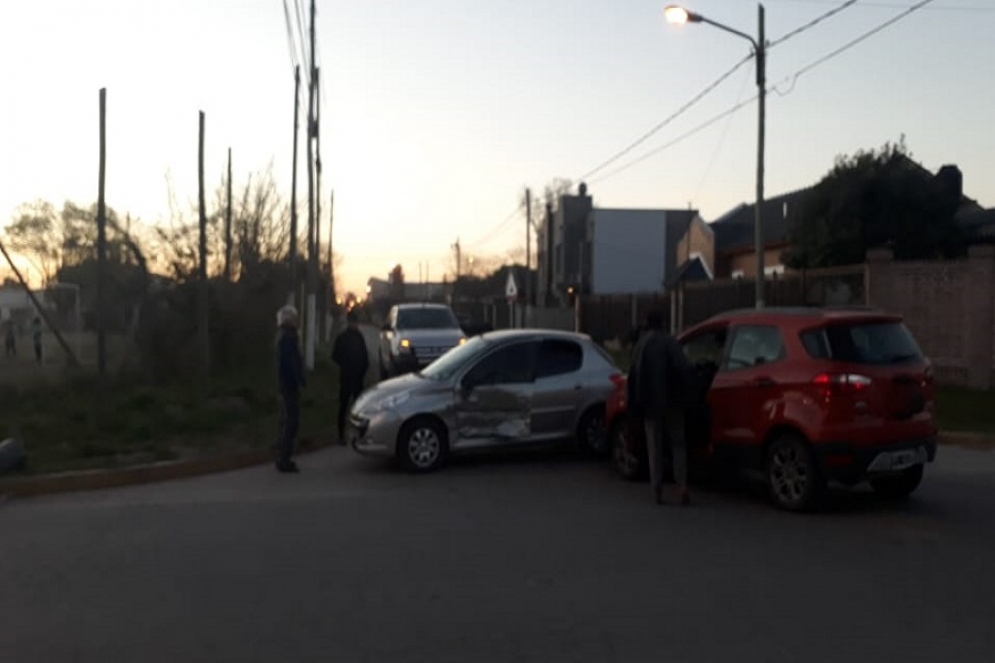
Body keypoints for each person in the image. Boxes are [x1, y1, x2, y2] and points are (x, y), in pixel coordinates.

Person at [628, 309, 696, 506]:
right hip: (672, 401)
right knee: (678, 443)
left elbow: (632, 377)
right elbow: (684, 368)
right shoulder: (670, 342)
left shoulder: (640, 345)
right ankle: (681, 485)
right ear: (663, 323)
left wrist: (634, 405)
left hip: (648, 404)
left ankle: (657, 488)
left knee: (654, 447)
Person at [275, 305, 305, 473]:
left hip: (285, 384)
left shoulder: (284, 336)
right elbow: (291, 363)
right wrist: (298, 380)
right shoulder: (288, 338)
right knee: (291, 421)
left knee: (286, 420)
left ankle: (282, 454)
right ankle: (284, 458)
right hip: (289, 385)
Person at [332, 310, 370, 444]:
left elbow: (365, 356)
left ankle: (359, 434)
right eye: (353, 322)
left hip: (358, 377)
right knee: (343, 406)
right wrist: (345, 364)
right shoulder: (343, 337)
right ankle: (341, 435)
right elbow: (335, 356)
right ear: (349, 323)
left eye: (356, 322)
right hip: (347, 377)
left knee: (359, 407)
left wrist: (363, 369)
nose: (355, 325)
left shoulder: (359, 337)